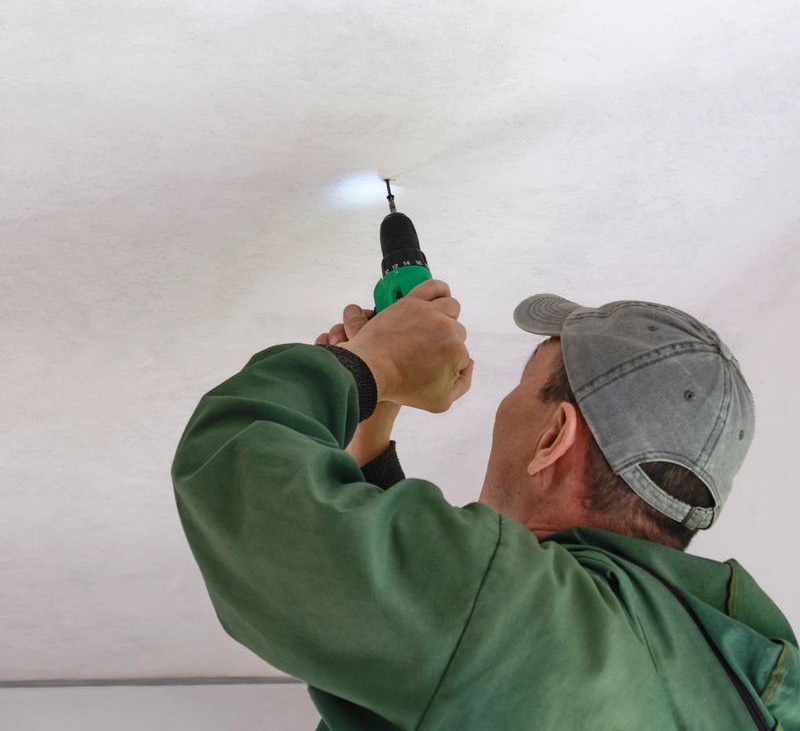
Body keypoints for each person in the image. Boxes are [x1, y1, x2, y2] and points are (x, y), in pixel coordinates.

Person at [171, 279, 798, 730]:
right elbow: (451, 665)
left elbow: (230, 465)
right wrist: (369, 452)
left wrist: (366, 366)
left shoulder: (522, 616)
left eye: (523, 390)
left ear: (555, 437)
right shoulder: (724, 663)